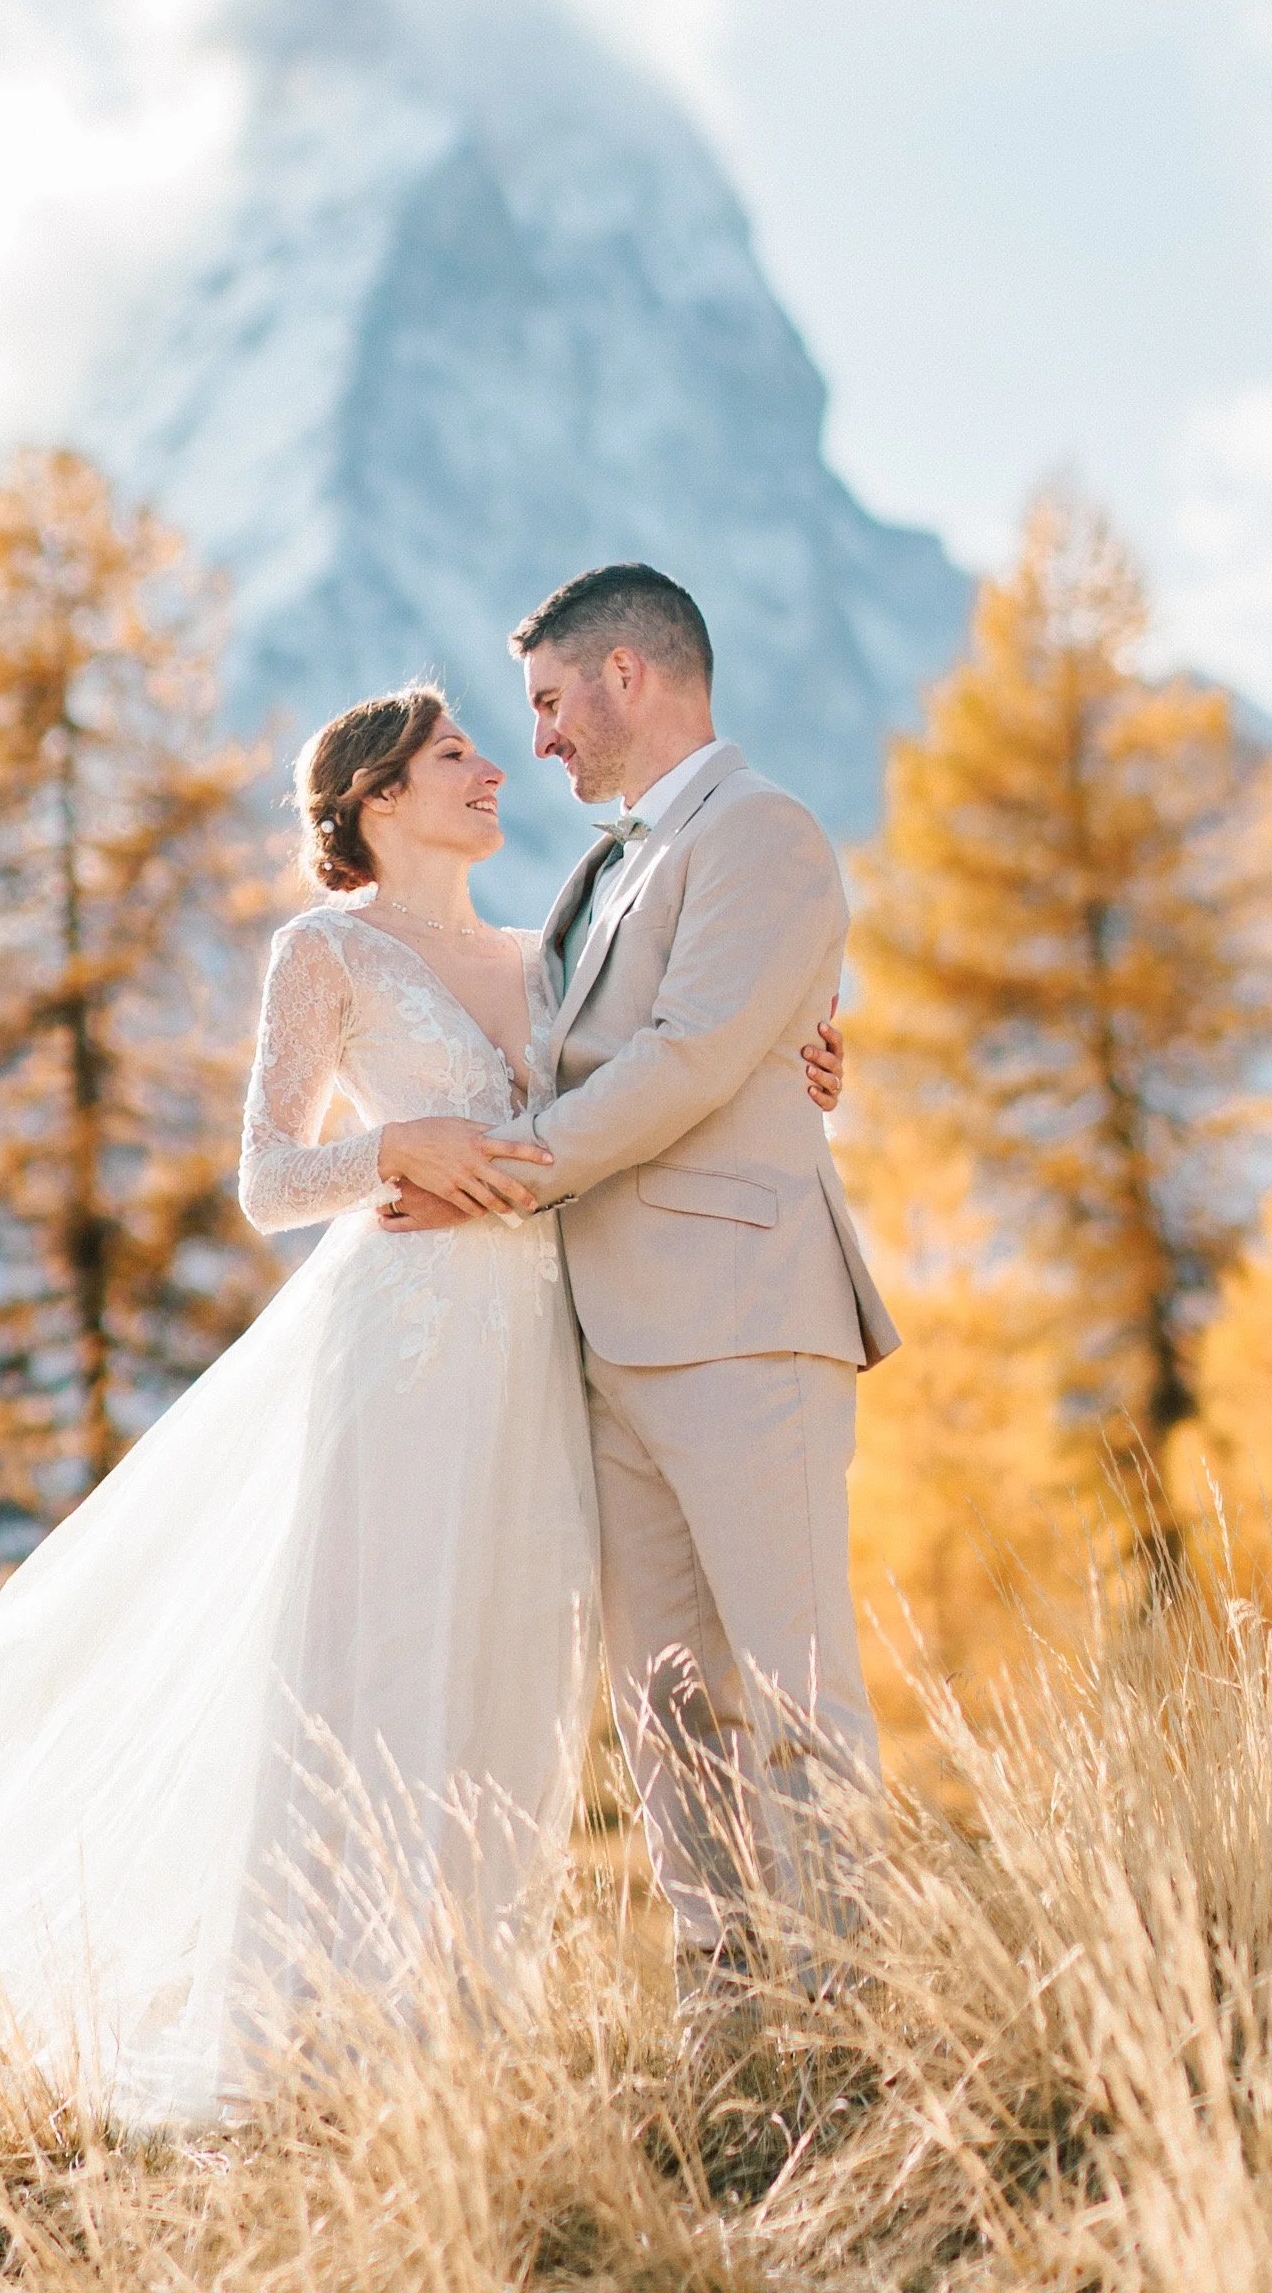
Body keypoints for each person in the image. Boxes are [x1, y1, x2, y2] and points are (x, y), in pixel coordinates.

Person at [0, 673, 848, 2124]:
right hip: (403, 1343)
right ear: (375, 798)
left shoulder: (544, 952)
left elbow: (657, 1071)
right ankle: (317, 2030)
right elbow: (270, 1179)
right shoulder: (324, 952)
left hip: (539, 1349)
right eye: (455, 754)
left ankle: (460, 2030)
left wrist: (801, 1062)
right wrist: (394, 1147)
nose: (495, 767)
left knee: (503, 1668)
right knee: (374, 1663)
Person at [384, 565, 900, 1986]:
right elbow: (594, 1057)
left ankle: (852, 2007)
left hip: (743, 1325)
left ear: (629, 674)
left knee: (794, 1688)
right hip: (607, 1341)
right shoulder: (604, 866)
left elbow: (686, 1060)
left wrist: (505, 1175)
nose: (538, 737)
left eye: (552, 701)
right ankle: (725, 2007)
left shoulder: (761, 832)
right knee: (669, 1710)